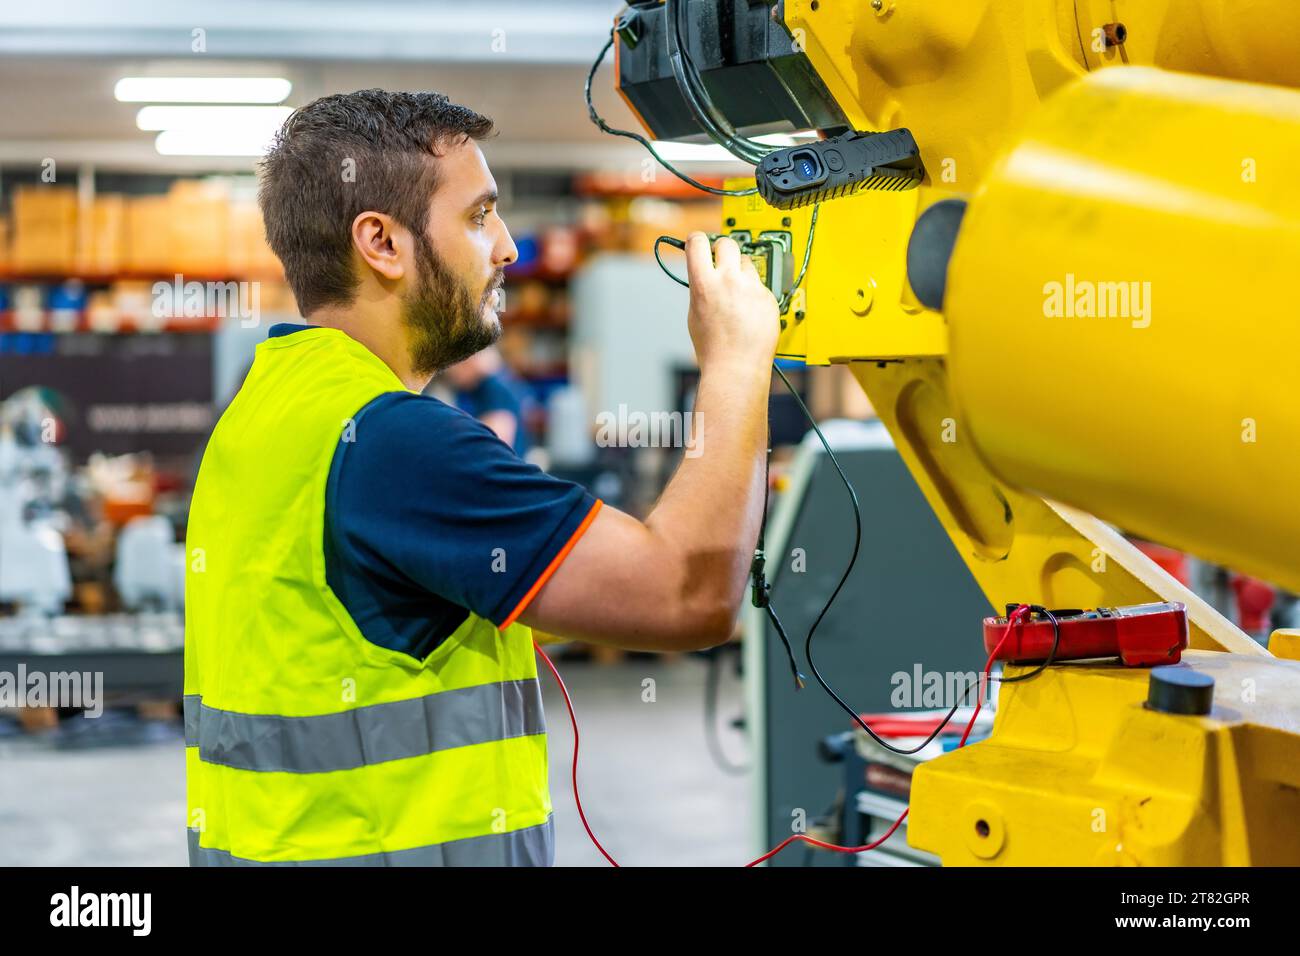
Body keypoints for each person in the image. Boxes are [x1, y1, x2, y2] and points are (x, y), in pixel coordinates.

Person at [184, 90, 776, 867]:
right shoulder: (397, 441)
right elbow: (687, 595)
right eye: (477, 217)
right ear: (382, 244)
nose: (507, 250)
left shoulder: (264, 410)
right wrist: (737, 361)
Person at [439, 346, 533, 456]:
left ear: (469, 360)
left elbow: (491, 446)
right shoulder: (477, 389)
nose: (450, 372)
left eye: (453, 365)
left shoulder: (493, 389)